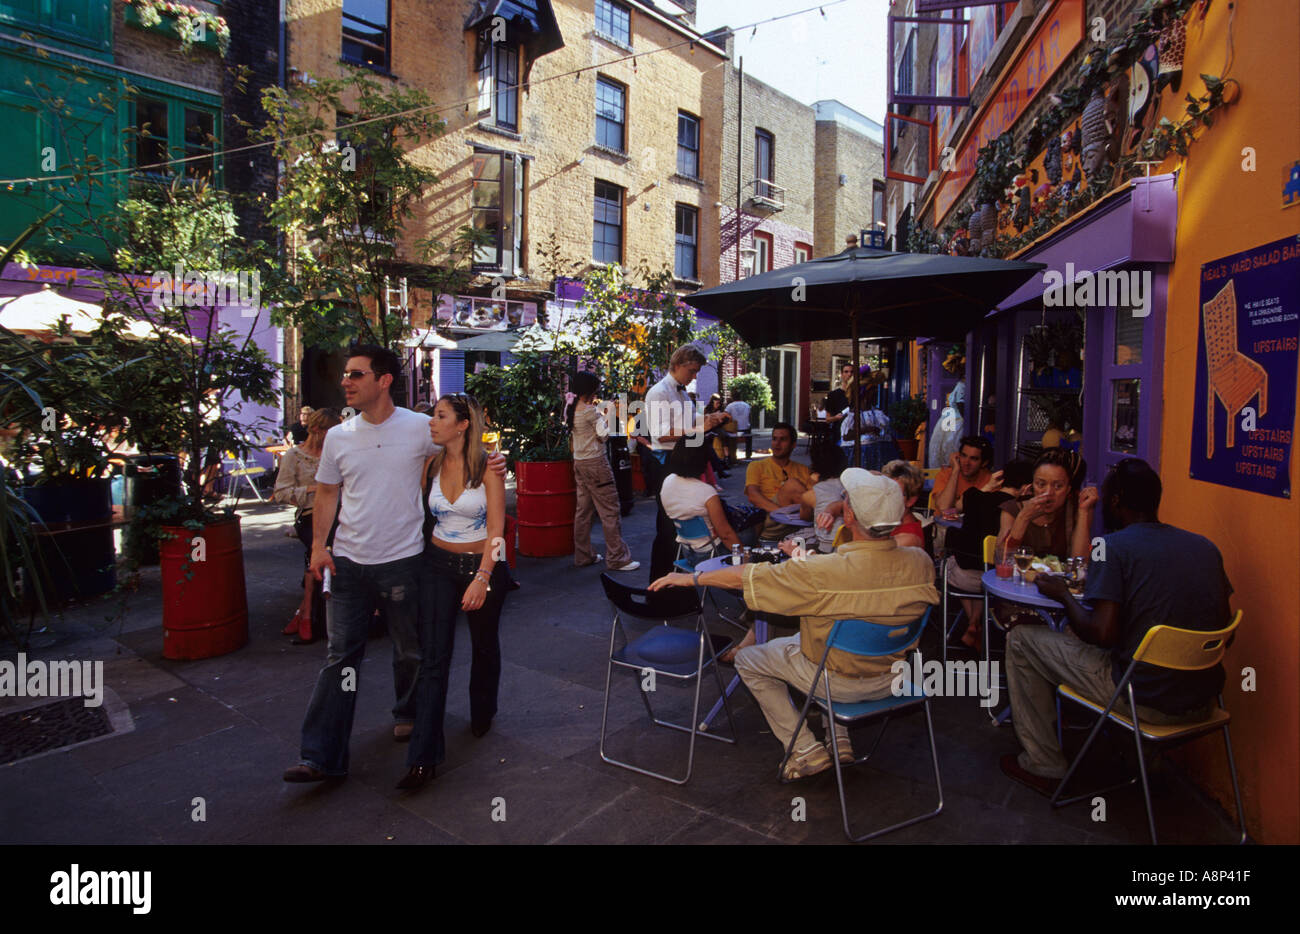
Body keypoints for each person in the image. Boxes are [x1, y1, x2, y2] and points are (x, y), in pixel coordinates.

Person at [283, 347, 504, 784]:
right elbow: (326, 491)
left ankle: (420, 714)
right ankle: (322, 756)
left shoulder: (421, 428)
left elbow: (466, 447)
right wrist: (319, 547)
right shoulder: (340, 437)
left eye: (356, 374)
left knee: (415, 652)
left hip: (407, 562)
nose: (346, 381)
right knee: (341, 658)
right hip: (352, 562)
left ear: (383, 381)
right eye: (345, 374)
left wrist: (493, 460)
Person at [650, 469, 938, 779]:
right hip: (890, 676)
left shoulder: (826, 572)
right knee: (834, 631)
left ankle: (805, 749)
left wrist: (691, 577)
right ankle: (839, 740)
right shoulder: (920, 562)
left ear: (850, 516)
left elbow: (746, 576)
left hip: (834, 682)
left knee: (749, 658)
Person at [1000, 458, 1234, 794]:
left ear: (1115, 501)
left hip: (1140, 699)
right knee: (1096, 643)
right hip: (1203, 700)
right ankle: (1139, 757)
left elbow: (1102, 634)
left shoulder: (1113, 547)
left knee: (1023, 639)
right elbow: (1228, 634)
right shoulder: (1205, 547)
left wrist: (1063, 594)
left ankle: (1043, 763)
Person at [399, 393, 510, 790]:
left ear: (462, 424)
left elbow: (497, 531)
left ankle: (483, 711)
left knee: (483, 646)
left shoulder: (488, 466)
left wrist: (482, 578)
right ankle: (423, 758)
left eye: (440, 416)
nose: (432, 422)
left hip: (482, 565)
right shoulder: (430, 464)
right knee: (433, 657)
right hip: (437, 567)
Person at [640, 345, 729, 580]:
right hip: (665, 462)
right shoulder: (659, 392)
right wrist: (700, 427)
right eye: (692, 370)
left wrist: (710, 419)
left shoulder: (680, 392)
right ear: (677, 365)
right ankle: (660, 586)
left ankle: (680, 583)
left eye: (697, 371)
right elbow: (661, 434)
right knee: (669, 527)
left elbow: (690, 422)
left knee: (684, 525)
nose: (694, 376)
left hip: (682, 461)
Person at [989, 448, 1095, 632]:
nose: (1048, 493)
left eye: (1058, 486)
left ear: (1069, 489)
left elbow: (1080, 563)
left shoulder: (1075, 511)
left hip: (1061, 601)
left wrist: (1084, 512)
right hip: (1018, 598)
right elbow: (1001, 559)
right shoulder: (1012, 509)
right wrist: (1023, 518)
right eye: (1041, 484)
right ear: (1032, 484)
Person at [944, 459, 1035, 646]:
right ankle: (975, 622)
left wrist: (988, 486)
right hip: (996, 582)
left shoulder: (974, 496)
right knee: (982, 570)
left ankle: (972, 623)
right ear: (1028, 487)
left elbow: (955, 508)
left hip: (964, 578)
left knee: (954, 563)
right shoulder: (1017, 510)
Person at [273, 407, 341, 644]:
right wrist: (314, 489)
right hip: (309, 514)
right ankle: (312, 617)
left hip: (337, 514)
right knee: (325, 547)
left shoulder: (334, 453)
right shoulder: (294, 456)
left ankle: (306, 614)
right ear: (316, 430)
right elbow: (280, 492)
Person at [567, 372, 638, 572]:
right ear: (590, 390)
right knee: (610, 510)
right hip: (596, 464)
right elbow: (604, 436)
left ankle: (583, 555)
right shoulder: (591, 411)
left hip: (579, 463)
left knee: (583, 512)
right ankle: (617, 558)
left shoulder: (570, 408)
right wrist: (607, 413)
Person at [660, 438, 744, 561]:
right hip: (710, 553)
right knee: (749, 531)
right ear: (703, 459)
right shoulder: (706, 492)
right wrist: (744, 554)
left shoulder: (668, 480)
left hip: (686, 551)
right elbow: (726, 535)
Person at [745, 422, 816, 541]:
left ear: (793, 444)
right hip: (771, 520)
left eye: (782, 440)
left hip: (799, 519)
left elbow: (812, 499)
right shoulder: (757, 466)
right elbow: (753, 496)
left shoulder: (803, 469)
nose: (777, 444)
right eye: (774, 439)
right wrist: (782, 514)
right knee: (792, 485)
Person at [933, 435, 994, 514]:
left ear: (984, 463)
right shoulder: (946, 474)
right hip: (943, 525)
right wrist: (955, 470)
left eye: (973, 459)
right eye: (963, 456)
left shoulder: (991, 480)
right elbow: (944, 508)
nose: (966, 463)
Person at [822, 362, 856, 428]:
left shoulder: (858, 394)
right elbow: (828, 419)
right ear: (841, 374)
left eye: (852, 372)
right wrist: (836, 417)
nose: (849, 374)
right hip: (838, 431)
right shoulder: (833, 395)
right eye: (846, 372)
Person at [723, 396, 751, 465]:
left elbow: (725, 414)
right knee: (749, 434)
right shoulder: (746, 405)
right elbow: (749, 416)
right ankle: (748, 454)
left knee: (729, 435)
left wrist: (730, 418)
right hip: (745, 430)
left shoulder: (730, 406)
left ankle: (732, 456)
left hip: (736, 431)